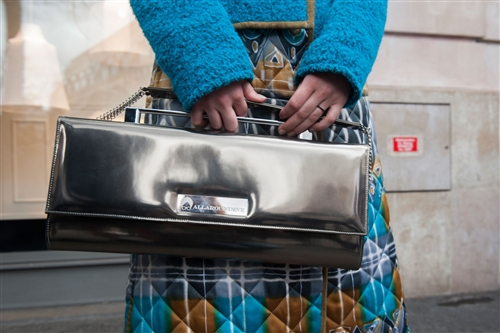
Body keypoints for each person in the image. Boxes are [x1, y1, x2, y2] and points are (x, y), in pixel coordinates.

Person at [125, 1, 409, 332]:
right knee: (199, 290)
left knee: (345, 287)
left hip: (324, 86)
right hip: (210, 81)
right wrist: (202, 55)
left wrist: (343, 57)